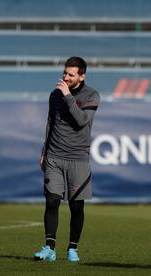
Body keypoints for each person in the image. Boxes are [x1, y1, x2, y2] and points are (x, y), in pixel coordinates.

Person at [34, 57, 100, 262]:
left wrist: (67, 95)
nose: (65, 77)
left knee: (76, 206)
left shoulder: (92, 95)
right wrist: (45, 150)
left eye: (71, 75)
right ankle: (49, 248)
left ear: (82, 76)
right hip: (54, 155)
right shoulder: (55, 94)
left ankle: (72, 249)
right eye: (65, 73)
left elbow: (81, 121)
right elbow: (50, 122)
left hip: (78, 158)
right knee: (52, 201)